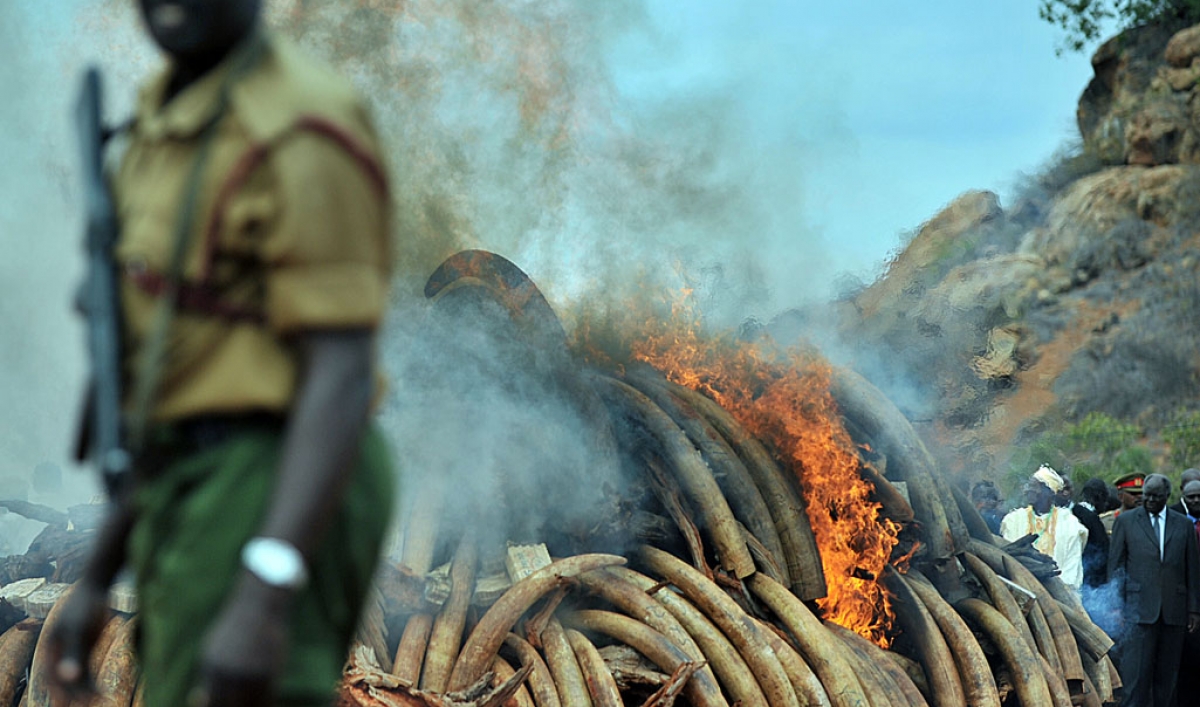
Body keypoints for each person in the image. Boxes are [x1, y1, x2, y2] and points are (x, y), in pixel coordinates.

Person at [48, 2, 396, 706]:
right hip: (184, 486)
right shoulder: (159, 126)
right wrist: (95, 581)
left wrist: (266, 587)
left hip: (274, 481)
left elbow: (342, 373)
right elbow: (165, 388)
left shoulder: (304, 125)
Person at [1109, 474, 1200, 707]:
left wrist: (1193, 609)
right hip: (1137, 611)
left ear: (1166, 496)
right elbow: (1116, 567)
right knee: (1135, 678)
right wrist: (1116, 606)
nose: (1148, 500)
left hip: (1174, 611)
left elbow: (1192, 569)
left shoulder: (1183, 524)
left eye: (1155, 496)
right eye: (1146, 495)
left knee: (1167, 678)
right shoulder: (1126, 522)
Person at [1000, 464, 1090, 590]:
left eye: (1033, 486)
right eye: (1028, 485)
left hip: (1059, 592)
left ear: (1049, 493)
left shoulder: (1070, 524)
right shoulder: (1013, 520)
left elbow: (1071, 569)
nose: (1027, 490)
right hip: (1020, 587)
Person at [1057, 476, 1109, 588]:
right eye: (1061, 489)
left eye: (1067, 488)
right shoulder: (1046, 519)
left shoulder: (1084, 515)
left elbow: (1100, 551)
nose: (1064, 493)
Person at [1178, 479, 1200, 707]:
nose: (1195, 501)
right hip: (1187, 601)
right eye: (1191, 496)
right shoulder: (1177, 520)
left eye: (1199, 496)